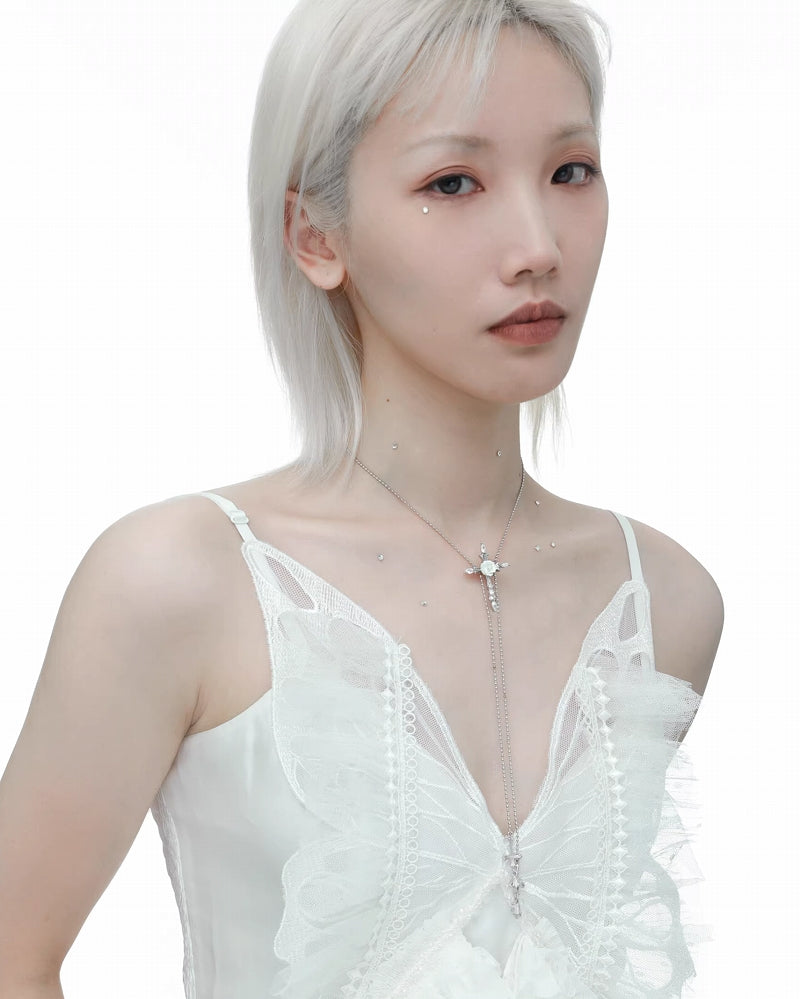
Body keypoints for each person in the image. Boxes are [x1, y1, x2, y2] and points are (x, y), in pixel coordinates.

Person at [0, 0, 724, 996]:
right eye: (452, 182)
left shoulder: (664, 600)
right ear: (313, 235)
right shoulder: (181, 581)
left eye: (571, 172)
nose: (536, 245)